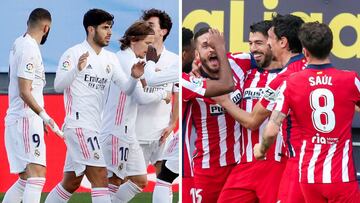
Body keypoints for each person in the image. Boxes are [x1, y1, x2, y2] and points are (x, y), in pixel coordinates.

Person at [254, 21, 360, 203]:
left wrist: (261, 149)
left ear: (305, 51)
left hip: (308, 178)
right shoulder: (350, 80)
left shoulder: (291, 83)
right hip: (340, 177)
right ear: (331, 48)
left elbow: (271, 130)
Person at [45, 9, 143, 203]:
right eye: (105, 28)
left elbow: (127, 89)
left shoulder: (110, 59)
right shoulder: (73, 53)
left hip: (94, 127)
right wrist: (76, 69)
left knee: (71, 182)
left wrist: (134, 77)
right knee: (100, 175)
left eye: (111, 28)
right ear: (91, 29)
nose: (109, 32)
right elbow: (58, 85)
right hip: (79, 126)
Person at [215, 15, 306, 203]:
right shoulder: (247, 73)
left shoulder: (288, 76)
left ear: (280, 43)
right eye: (250, 43)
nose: (253, 48)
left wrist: (224, 101)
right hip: (247, 162)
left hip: (278, 163)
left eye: (261, 42)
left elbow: (253, 122)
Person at [100, 20, 171, 202]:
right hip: (116, 129)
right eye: (147, 43)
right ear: (133, 39)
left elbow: (140, 85)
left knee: (140, 180)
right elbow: (140, 97)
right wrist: (163, 94)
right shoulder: (127, 60)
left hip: (126, 132)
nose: (149, 49)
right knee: (115, 180)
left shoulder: (127, 58)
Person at [184, 26, 253, 203]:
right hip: (208, 169)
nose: (212, 49)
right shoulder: (193, 81)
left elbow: (273, 60)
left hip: (240, 166)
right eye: (206, 45)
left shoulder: (240, 62)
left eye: (216, 45)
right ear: (197, 54)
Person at [3, 8, 62, 203]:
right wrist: (45, 116)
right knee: (37, 175)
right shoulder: (29, 48)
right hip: (25, 118)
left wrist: (40, 117)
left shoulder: (19, 42)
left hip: (22, 118)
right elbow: (25, 90)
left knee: (26, 178)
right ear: (46, 28)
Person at [137, 8, 179, 176]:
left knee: (164, 178)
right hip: (137, 129)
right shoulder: (137, 55)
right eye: (145, 25)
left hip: (162, 129)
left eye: (152, 25)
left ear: (163, 31)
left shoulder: (175, 60)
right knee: (132, 181)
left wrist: (172, 124)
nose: (147, 28)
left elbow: (177, 93)